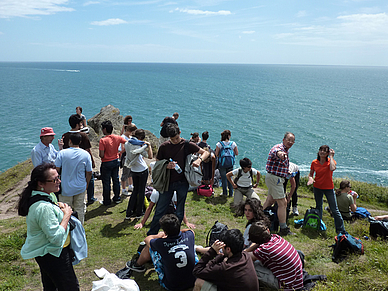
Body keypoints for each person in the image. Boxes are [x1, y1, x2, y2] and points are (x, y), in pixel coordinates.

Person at [18, 163, 79, 291]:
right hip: (53, 254)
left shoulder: (45, 195)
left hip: (47, 253)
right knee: (70, 287)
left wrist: (58, 206)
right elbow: (56, 238)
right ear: (41, 183)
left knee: (51, 286)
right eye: (54, 179)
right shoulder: (43, 208)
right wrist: (67, 215)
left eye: (58, 177)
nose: (59, 181)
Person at [147, 123, 209, 235]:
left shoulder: (187, 144)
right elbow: (157, 163)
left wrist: (199, 160)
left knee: (179, 211)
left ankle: (174, 234)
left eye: (176, 138)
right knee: (160, 210)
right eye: (172, 139)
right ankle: (152, 235)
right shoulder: (164, 147)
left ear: (180, 133)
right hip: (167, 183)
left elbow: (206, 152)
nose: (175, 141)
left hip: (182, 182)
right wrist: (166, 165)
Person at [127, 214, 198, 291]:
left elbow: (147, 239)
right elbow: (191, 231)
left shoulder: (160, 243)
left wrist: (159, 235)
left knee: (150, 248)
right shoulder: (189, 235)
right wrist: (176, 231)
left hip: (172, 286)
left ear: (165, 231)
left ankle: (137, 265)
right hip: (193, 280)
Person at [193, 229, 259, 291]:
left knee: (199, 282)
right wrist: (221, 255)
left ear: (228, 249)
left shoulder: (225, 268)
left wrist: (212, 251)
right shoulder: (245, 255)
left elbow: (197, 270)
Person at [246, 221, 304, 291]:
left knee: (251, 266)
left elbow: (246, 257)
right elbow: (258, 247)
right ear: (268, 231)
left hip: (286, 285)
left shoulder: (265, 249)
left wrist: (244, 251)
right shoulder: (276, 237)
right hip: (297, 280)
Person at [307, 145, 346, 234]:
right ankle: (318, 225)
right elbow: (311, 174)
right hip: (317, 187)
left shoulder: (331, 162)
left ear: (328, 153)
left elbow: (332, 168)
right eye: (321, 150)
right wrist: (310, 178)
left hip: (328, 188)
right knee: (318, 207)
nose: (322, 152)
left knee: (334, 209)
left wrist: (331, 157)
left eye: (325, 151)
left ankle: (341, 230)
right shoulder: (314, 162)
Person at [262, 132, 295, 236]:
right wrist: (281, 155)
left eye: (292, 140)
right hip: (275, 179)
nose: (290, 142)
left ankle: (258, 220)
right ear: (283, 139)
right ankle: (283, 228)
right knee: (283, 203)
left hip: (274, 178)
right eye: (288, 139)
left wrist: (286, 172)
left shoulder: (285, 149)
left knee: (270, 200)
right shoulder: (279, 148)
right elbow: (277, 152)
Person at [55, 133, 92, 224]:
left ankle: (67, 229)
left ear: (70, 141)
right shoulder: (86, 154)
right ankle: (79, 229)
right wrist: (86, 184)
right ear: (80, 142)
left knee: (65, 210)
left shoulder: (62, 153)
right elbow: (89, 172)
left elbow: (57, 169)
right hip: (80, 186)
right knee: (80, 209)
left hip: (65, 187)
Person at [62, 114, 97, 205]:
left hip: (69, 162)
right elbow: (87, 150)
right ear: (77, 124)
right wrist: (92, 163)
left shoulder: (65, 136)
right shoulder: (83, 135)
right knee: (90, 177)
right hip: (83, 161)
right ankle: (90, 198)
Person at [124, 129, 153, 219]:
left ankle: (129, 213)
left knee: (135, 191)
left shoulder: (128, 143)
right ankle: (139, 213)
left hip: (134, 170)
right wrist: (149, 146)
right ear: (141, 138)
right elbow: (150, 156)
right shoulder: (138, 147)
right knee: (141, 192)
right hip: (142, 170)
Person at [99, 120, 127, 206]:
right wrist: (121, 152)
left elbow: (101, 155)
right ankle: (117, 198)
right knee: (115, 180)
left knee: (106, 182)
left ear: (104, 129)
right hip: (115, 161)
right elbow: (127, 142)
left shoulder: (102, 140)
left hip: (106, 163)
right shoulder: (117, 137)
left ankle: (107, 201)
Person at [215, 130, 238, 197]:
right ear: (229, 136)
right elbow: (236, 153)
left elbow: (216, 154)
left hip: (222, 164)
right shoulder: (233, 143)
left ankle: (224, 193)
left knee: (223, 178)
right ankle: (231, 193)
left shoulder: (219, 144)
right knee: (230, 177)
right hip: (230, 164)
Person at [120, 124, 137, 195]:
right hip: (125, 158)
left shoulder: (130, 137)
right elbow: (122, 148)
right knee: (125, 174)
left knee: (130, 173)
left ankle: (130, 186)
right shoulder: (123, 137)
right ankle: (123, 189)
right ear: (130, 131)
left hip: (131, 157)